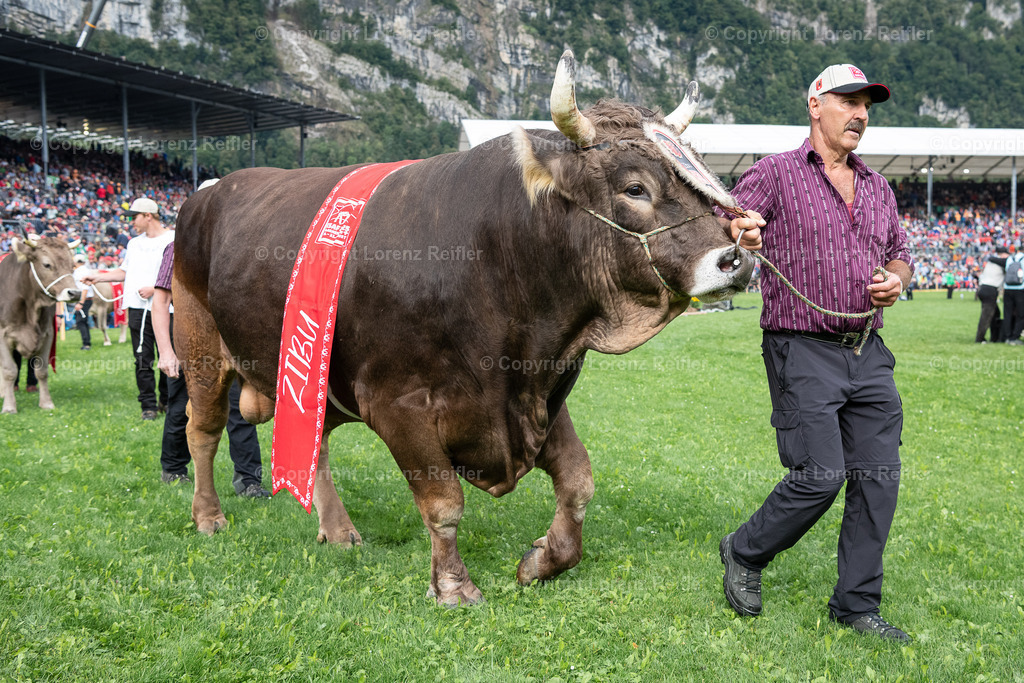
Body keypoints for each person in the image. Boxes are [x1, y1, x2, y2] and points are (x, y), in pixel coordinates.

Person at [720, 63, 913, 641]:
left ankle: (855, 606)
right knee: (820, 474)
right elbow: (726, 216)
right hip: (801, 347)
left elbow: (902, 252)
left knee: (878, 478)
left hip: (869, 351)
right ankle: (745, 551)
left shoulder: (878, 187)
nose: (860, 114)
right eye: (848, 102)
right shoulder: (777, 173)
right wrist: (743, 230)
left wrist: (897, 279)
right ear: (815, 105)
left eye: (867, 106)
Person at [150, 184, 270, 497]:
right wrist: (166, 351)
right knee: (181, 406)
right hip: (191, 334)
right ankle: (174, 467)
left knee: (240, 409)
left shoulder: (240, 248)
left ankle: (249, 480)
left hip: (231, 336)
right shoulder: (179, 247)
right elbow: (160, 302)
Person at [81, 197, 173, 419]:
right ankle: (148, 406)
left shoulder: (173, 239)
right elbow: (124, 272)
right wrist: (97, 277)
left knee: (168, 355)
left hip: (167, 308)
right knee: (142, 358)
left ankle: (166, 399)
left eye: (134, 217)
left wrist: (155, 289)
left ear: (148, 216)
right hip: (137, 308)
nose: (131, 222)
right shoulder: (133, 243)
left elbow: (179, 274)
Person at [975, 250, 1007, 343]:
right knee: (986, 316)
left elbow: (991, 258)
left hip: (983, 288)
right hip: (990, 289)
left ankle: (994, 337)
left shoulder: (991, 262)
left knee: (995, 313)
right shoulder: (1000, 262)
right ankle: (979, 339)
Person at [71, 253, 93, 350]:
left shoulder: (80, 271)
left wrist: (80, 302)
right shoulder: (85, 270)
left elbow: (84, 288)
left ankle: (86, 343)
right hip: (86, 299)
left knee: (80, 321)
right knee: (83, 321)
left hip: (84, 299)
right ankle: (87, 342)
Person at [1002, 251, 1024, 345]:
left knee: (1007, 313)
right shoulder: (1022, 259)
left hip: (1008, 288)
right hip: (1020, 289)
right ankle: (1014, 337)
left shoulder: (1010, 258)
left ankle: (1007, 336)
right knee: (1021, 314)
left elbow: (1007, 270)